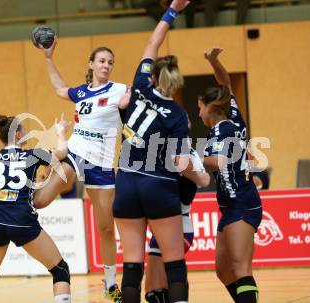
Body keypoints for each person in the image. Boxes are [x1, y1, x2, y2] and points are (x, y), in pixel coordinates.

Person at [33, 38, 129, 302]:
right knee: (40, 201)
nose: (106, 65)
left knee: (106, 228)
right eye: (101, 61)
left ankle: (110, 283)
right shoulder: (82, 92)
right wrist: (48, 58)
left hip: (102, 165)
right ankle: (18, 202)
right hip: (76, 154)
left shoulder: (120, 89)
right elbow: (60, 89)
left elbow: (140, 96)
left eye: (110, 62)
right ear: (92, 64)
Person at [112, 0, 193, 302]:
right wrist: (195, 173)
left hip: (127, 183)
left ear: (154, 77)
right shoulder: (177, 115)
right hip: (157, 184)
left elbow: (151, 43)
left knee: (132, 266)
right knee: (173, 263)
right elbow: (180, 162)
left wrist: (173, 9)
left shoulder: (140, 85)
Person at [0, 114, 72, 303]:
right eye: (23, 131)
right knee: (60, 269)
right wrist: (60, 132)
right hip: (21, 221)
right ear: (17, 136)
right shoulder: (33, 154)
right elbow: (62, 152)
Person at [198, 47, 262, 303]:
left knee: (240, 269)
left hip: (242, 204)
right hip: (230, 206)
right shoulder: (232, 115)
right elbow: (225, 83)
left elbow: (218, 162)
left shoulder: (224, 130)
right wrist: (214, 61)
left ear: (211, 108)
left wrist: (188, 158)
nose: (199, 112)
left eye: (200, 107)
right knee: (224, 271)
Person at [144, 148, 210, 303]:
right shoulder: (153, 151)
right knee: (154, 292)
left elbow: (189, 194)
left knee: (161, 290)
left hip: (179, 227)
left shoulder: (190, 155)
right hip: (159, 231)